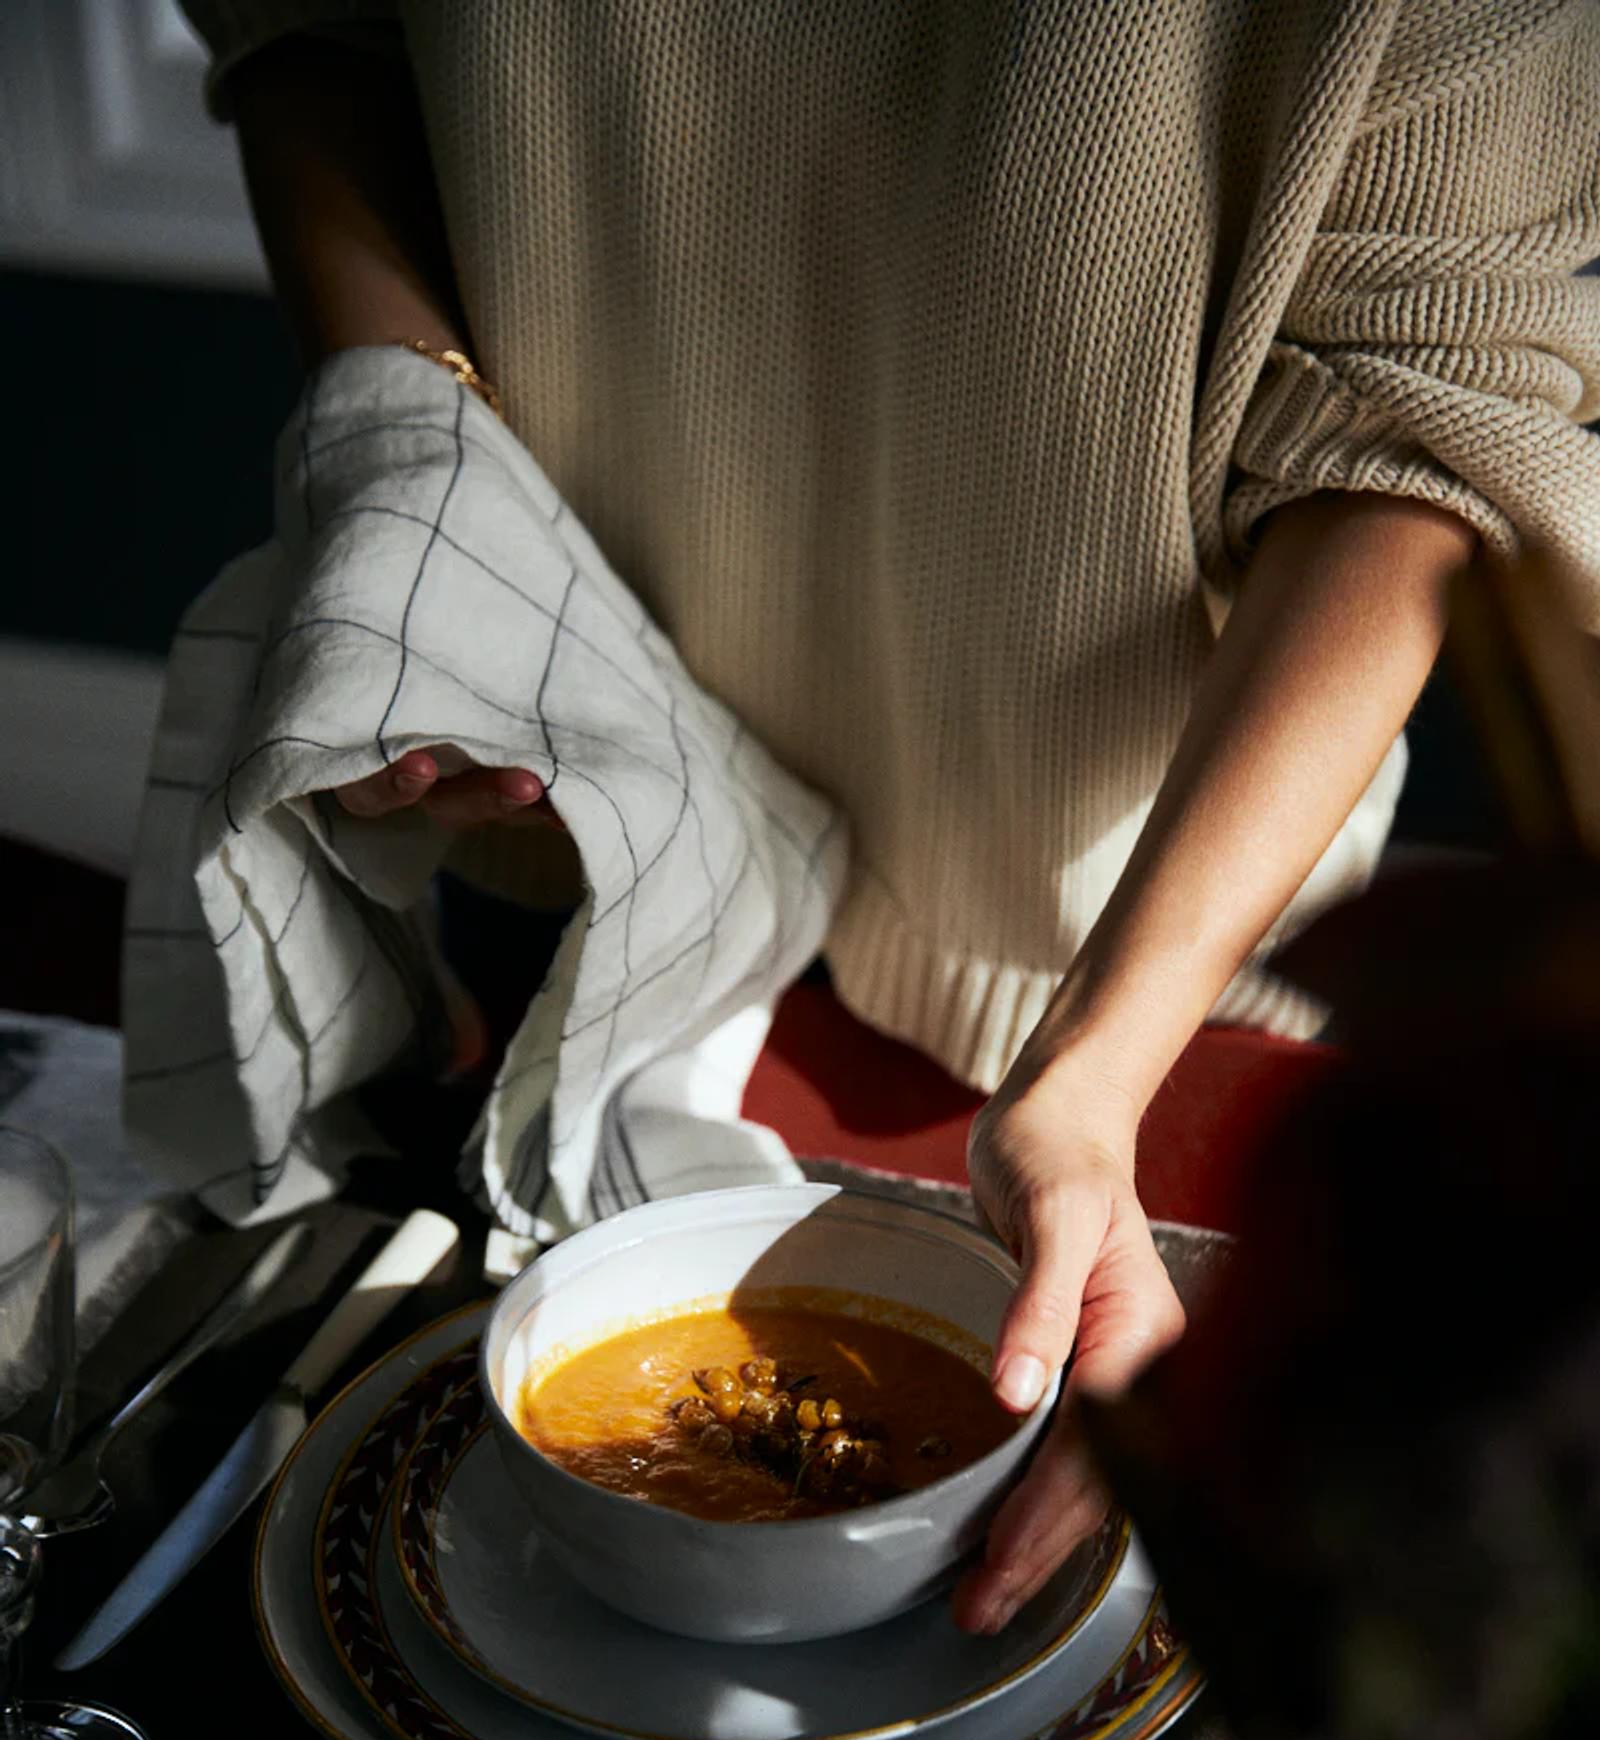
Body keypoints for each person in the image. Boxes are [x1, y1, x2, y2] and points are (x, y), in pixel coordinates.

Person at [184, 0, 1600, 1630]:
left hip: (1125, 961)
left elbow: (1418, 428)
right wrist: (407, 485)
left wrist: (1088, 1080)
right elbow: (308, 38)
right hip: (569, 833)